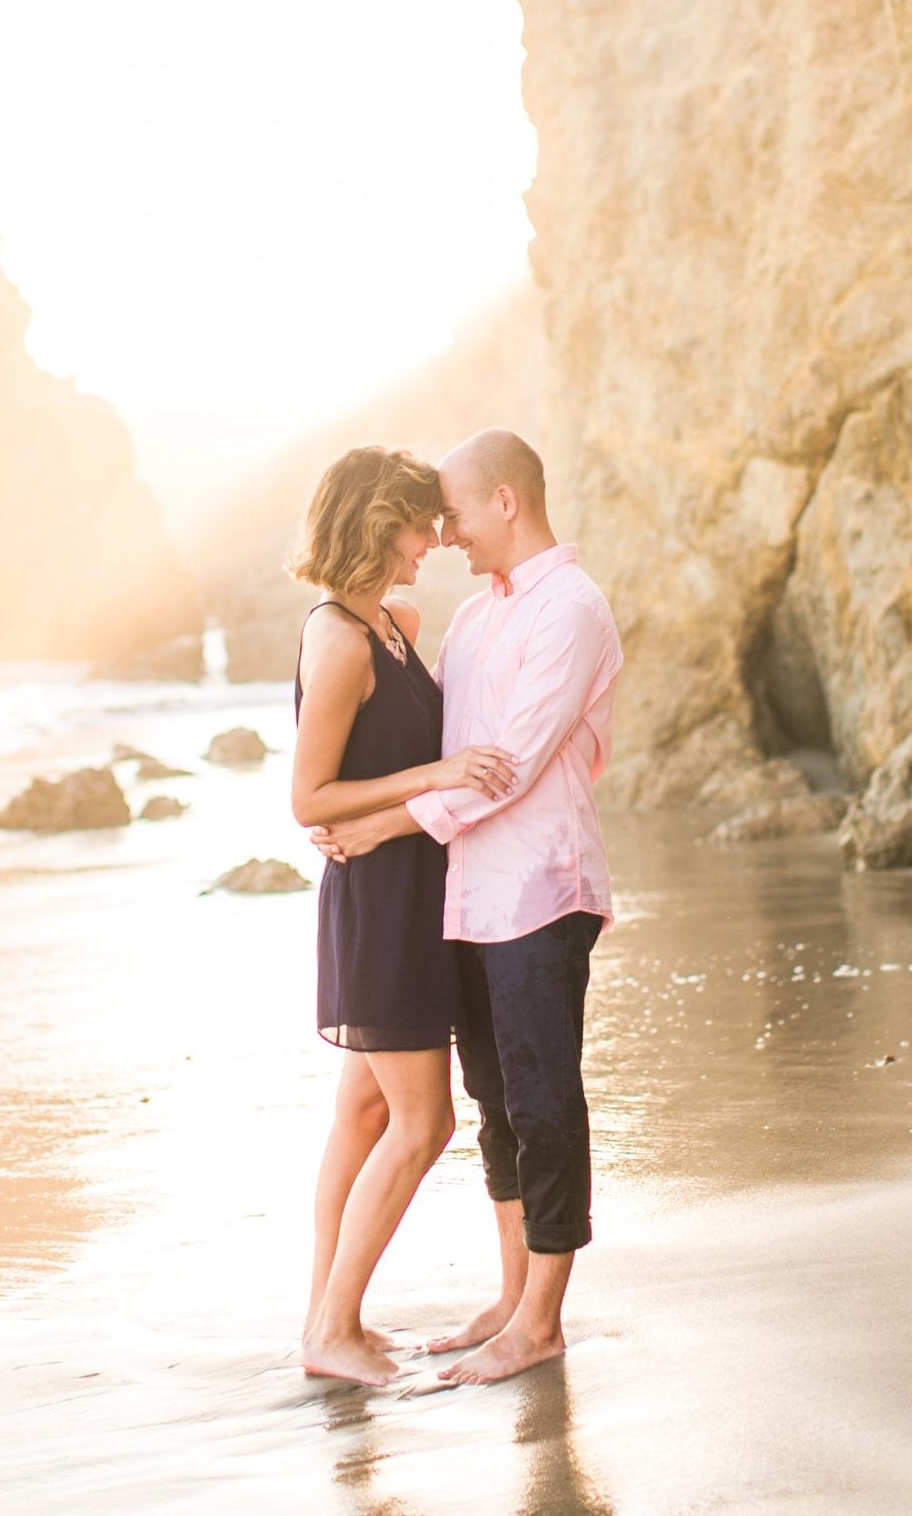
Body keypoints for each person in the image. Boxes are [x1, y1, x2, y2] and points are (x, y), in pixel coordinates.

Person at [311, 429, 623, 1385]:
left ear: (506, 503)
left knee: (542, 1101)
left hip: (540, 889)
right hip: (467, 900)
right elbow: (440, 735)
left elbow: (513, 766)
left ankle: (542, 1322)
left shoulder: (571, 610)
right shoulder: (474, 620)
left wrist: (384, 826)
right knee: (495, 1104)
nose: (442, 534)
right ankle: (509, 1293)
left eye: (452, 513)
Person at [291, 444, 518, 1388]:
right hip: (379, 903)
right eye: (423, 521)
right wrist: (435, 773)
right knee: (423, 1127)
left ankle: (323, 1319)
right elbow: (310, 799)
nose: (435, 537)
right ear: (381, 519)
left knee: (364, 1112)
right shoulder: (341, 636)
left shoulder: (395, 620)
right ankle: (333, 1329)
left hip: (411, 891)